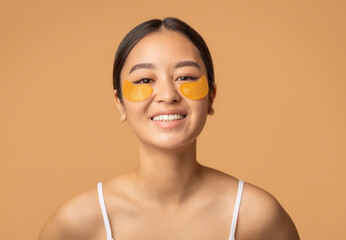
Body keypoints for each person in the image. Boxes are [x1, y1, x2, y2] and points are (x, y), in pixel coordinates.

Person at [39, 17, 300, 240]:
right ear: (119, 103)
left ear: (211, 96)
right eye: (144, 80)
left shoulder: (257, 216)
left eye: (185, 77)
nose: (167, 94)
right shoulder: (77, 223)